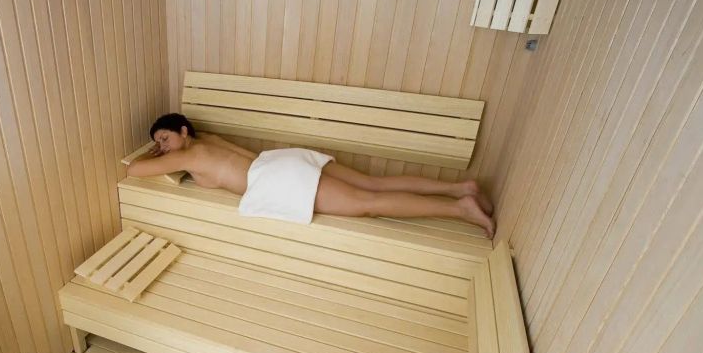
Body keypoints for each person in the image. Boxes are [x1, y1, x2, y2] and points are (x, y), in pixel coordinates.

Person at [127, 113, 495, 238]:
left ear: (183, 131)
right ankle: (459, 187)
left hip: (277, 180)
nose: (163, 147)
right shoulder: (208, 140)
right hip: (280, 161)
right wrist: (164, 148)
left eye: (165, 139)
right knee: (373, 183)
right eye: (158, 144)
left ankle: (460, 209)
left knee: (369, 203)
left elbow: (134, 169)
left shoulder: (187, 155)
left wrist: (152, 155)